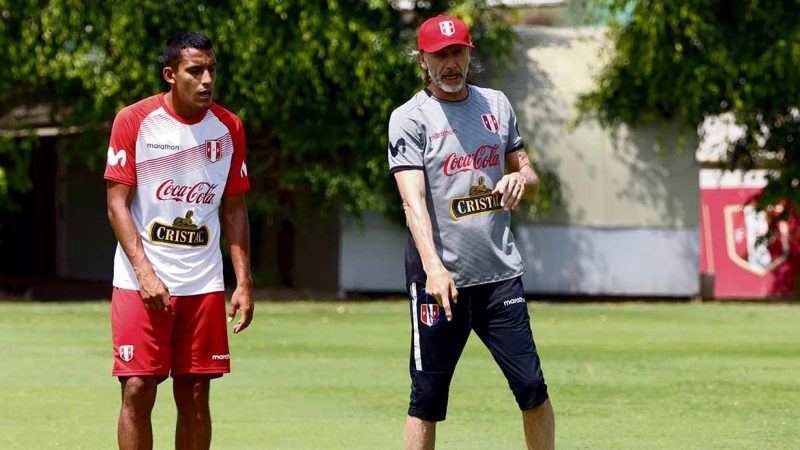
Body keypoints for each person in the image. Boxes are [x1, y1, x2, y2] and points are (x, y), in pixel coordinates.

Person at [388, 16, 555, 450]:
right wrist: (434, 270)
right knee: (426, 400)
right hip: (440, 283)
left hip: (500, 278)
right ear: (422, 59)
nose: (450, 62)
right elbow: (413, 202)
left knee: (533, 390)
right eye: (440, 54)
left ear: (469, 53)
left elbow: (530, 173)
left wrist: (522, 180)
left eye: (457, 52)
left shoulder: (497, 106)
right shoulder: (410, 118)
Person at [104, 31, 253, 450]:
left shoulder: (228, 127)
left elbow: (235, 208)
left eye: (211, 69)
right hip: (139, 282)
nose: (207, 79)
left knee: (195, 396)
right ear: (171, 75)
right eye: (195, 70)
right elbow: (117, 204)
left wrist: (243, 281)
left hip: (202, 284)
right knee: (136, 387)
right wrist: (145, 273)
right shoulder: (133, 120)